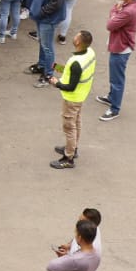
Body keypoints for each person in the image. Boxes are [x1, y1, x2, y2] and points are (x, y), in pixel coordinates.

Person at [48, 29, 95, 169]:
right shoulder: (90, 53)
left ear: (79, 42)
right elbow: (74, 73)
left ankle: (68, 158)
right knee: (76, 123)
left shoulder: (76, 62)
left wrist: (56, 83)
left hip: (72, 98)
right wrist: (59, 68)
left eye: (75, 37)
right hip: (81, 95)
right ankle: (73, 149)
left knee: (69, 127)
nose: (73, 38)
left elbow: (70, 86)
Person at [98, 0, 136, 122]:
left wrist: (115, 10)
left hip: (121, 47)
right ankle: (111, 97)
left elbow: (110, 25)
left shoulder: (128, 11)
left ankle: (115, 108)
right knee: (115, 76)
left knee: (117, 80)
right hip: (121, 44)